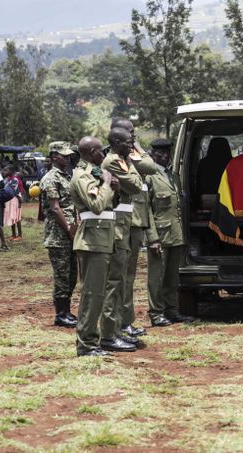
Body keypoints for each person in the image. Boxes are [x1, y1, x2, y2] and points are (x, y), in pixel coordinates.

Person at [70, 136, 120, 357]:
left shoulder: (94, 174)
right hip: (92, 240)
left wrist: (114, 188)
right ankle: (87, 344)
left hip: (102, 239)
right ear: (91, 152)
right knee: (92, 295)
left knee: (98, 294)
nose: (104, 155)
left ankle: (92, 340)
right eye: (101, 151)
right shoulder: (82, 176)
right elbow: (97, 205)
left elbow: (108, 204)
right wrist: (108, 185)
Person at [112, 118, 157, 339]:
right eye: (130, 134)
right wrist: (136, 146)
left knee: (128, 276)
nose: (133, 138)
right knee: (121, 277)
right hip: (125, 221)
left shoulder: (125, 153)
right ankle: (120, 322)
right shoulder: (120, 156)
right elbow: (149, 166)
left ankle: (125, 321)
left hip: (135, 219)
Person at [100, 127, 144, 353]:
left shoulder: (122, 160)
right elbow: (136, 185)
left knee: (120, 281)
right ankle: (108, 334)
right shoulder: (113, 162)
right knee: (114, 281)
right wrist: (133, 167)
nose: (132, 145)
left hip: (123, 223)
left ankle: (115, 328)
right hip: (117, 225)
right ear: (117, 142)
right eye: (128, 142)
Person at [144, 139, 194, 327]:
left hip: (176, 233)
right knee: (157, 276)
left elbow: (178, 209)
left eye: (167, 153)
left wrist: (184, 237)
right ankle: (156, 313)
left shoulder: (173, 176)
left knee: (172, 276)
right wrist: (152, 238)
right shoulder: (148, 177)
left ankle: (171, 310)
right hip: (160, 235)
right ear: (152, 155)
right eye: (160, 154)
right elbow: (146, 210)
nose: (165, 156)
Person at [40, 142, 79, 328]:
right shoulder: (50, 178)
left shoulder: (67, 176)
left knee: (72, 274)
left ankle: (67, 311)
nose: (68, 157)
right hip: (58, 235)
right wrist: (69, 230)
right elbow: (55, 209)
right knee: (62, 275)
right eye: (64, 155)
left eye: (69, 155)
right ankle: (60, 314)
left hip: (71, 232)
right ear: (54, 156)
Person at [2, 164, 23, 241]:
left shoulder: (15, 180)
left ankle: (20, 235)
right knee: (12, 217)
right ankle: (13, 234)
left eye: (6, 170)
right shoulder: (7, 180)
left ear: (11, 171)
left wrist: (20, 202)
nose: (4, 172)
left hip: (15, 200)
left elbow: (14, 191)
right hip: (9, 200)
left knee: (17, 218)